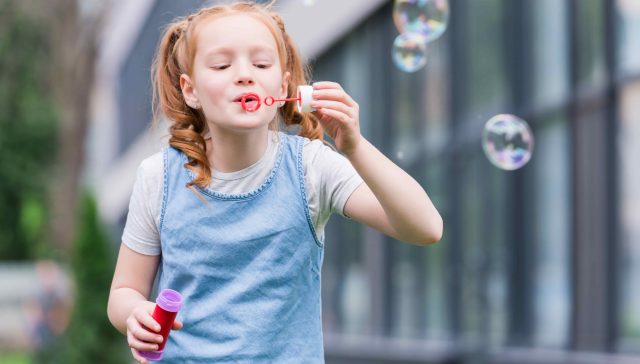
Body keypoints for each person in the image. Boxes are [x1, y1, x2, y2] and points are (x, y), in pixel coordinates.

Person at [107, 1, 443, 363]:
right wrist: (134, 314)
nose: (244, 74)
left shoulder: (312, 167)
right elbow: (125, 291)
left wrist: (355, 147)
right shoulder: (158, 176)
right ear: (191, 91)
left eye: (261, 64)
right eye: (222, 65)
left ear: (284, 84)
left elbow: (425, 227)